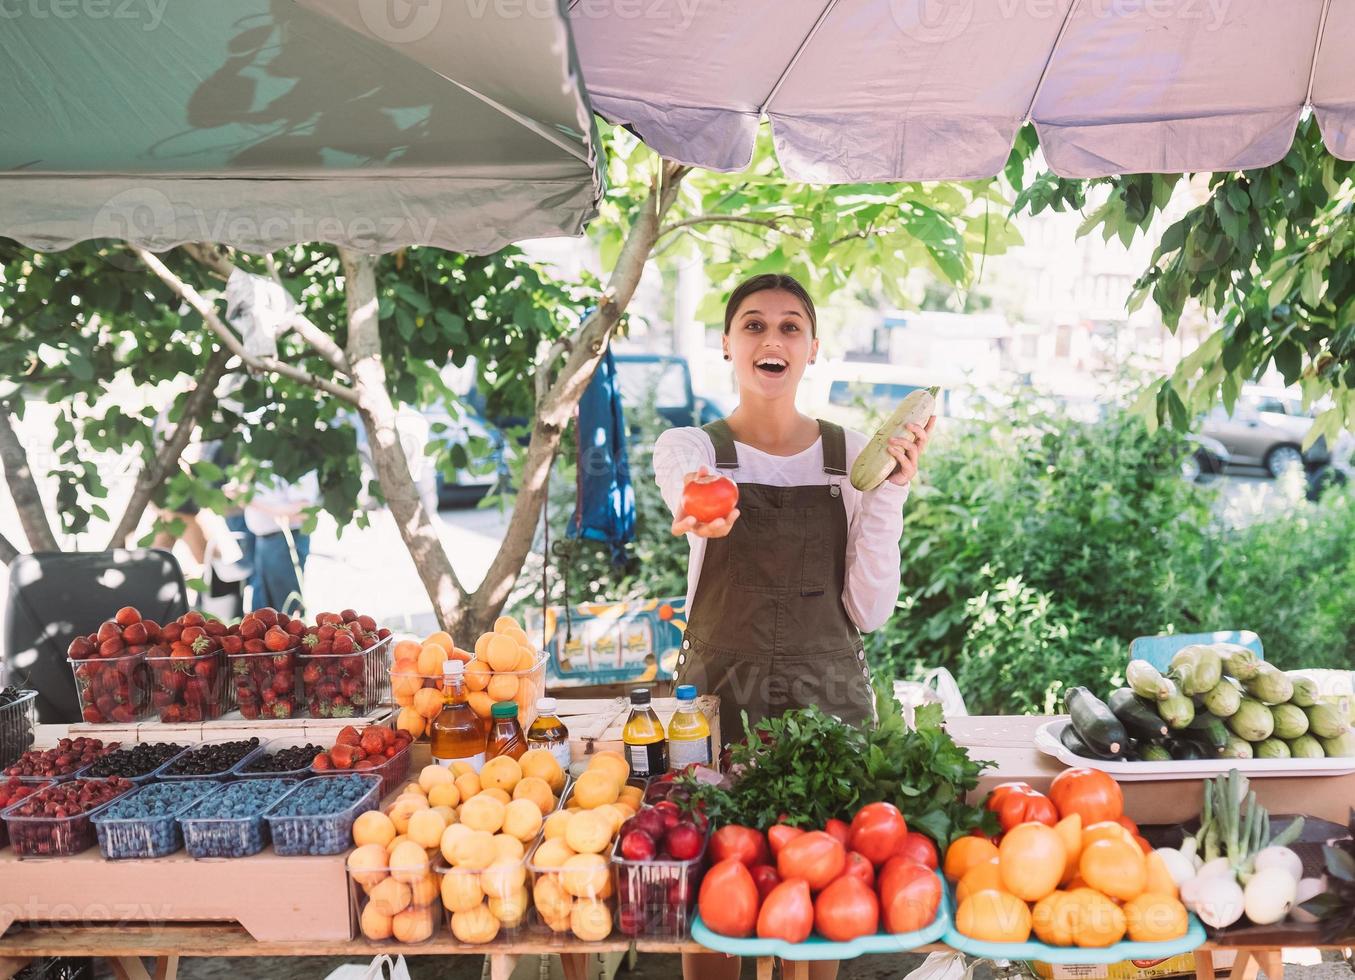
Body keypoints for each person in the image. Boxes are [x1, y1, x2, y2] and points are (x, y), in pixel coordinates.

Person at [653, 273, 934, 980]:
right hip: (715, 702)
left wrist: (892, 494)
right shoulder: (695, 449)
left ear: (811, 348)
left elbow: (869, 610)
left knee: (814, 915)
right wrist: (695, 506)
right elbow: (682, 488)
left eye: (788, 327)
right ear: (725, 344)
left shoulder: (851, 463)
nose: (770, 339)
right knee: (713, 909)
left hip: (828, 704)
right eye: (752, 324)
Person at [242, 471, 319, 616]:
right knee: (262, 612)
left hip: (285, 540)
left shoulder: (298, 462)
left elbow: (304, 510)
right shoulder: (261, 460)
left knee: (285, 611)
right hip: (262, 541)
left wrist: (253, 501)